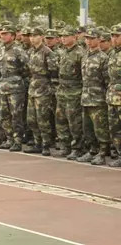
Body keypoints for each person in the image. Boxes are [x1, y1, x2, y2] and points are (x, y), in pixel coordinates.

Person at [78, 29, 110, 166]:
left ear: (98, 39)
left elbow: (107, 80)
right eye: (87, 38)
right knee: (87, 128)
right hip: (85, 97)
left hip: (98, 99)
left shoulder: (103, 58)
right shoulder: (85, 56)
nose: (88, 41)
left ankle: (102, 153)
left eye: (92, 38)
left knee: (100, 128)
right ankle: (92, 150)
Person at [24, 27, 58, 156]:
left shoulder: (47, 52)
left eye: (35, 35)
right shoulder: (30, 52)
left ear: (41, 37)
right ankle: (37, 142)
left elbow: (53, 71)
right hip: (33, 88)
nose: (33, 38)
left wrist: (50, 88)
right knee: (31, 119)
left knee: (43, 119)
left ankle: (46, 144)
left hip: (43, 88)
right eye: (31, 36)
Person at [0, 24, 29, 151]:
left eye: (6, 34)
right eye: (2, 34)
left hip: (15, 86)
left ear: (13, 36)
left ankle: (17, 140)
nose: (3, 36)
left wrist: (17, 77)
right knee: (4, 114)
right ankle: (9, 138)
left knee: (16, 115)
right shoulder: (1, 49)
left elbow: (26, 67)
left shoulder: (18, 50)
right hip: (3, 85)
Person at [55, 26, 85, 160]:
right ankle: (65, 145)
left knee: (75, 122)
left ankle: (77, 148)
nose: (63, 38)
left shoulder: (80, 53)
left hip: (74, 90)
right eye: (62, 36)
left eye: (66, 36)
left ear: (74, 37)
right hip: (62, 90)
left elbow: (84, 75)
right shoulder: (62, 52)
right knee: (61, 120)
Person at [107, 24, 121, 167]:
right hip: (113, 98)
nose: (114, 38)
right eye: (112, 36)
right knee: (114, 129)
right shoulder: (112, 53)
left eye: (117, 36)